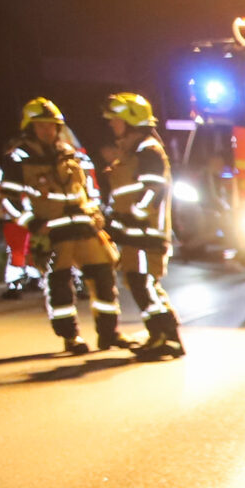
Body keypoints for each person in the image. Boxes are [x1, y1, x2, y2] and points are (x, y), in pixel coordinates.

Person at [7, 99, 120, 353]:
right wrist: (33, 223)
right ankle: (71, 338)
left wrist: (95, 213)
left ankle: (109, 334)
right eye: (41, 126)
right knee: (60, 285)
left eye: (52, 126)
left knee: (103, 274)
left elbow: (87, 189)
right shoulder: (18, 158)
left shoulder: (69, 153)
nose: (48, 131)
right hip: (53, 233)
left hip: (84, 227)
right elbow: (4, 200)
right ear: (30, 128)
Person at [99, 93, 183, 360]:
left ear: (131, 121)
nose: (112, 125)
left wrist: (134, 215)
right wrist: (112, 218)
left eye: (116, 120)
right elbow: (122, 194)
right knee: (143, 283)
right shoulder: (132, 152)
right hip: (134, 233)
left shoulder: (147, 151)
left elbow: (152, 190)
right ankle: (165, 337)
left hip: (146, 233)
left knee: (142, 283)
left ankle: (163, 337)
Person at [0, 134, 40, 299]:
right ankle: (34, 280)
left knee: (17, 250)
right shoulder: (32, 161)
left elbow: (0, 188)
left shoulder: (8, 164)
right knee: (30, 248)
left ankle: (14, 284)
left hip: (13, 214)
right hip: (32, 213)